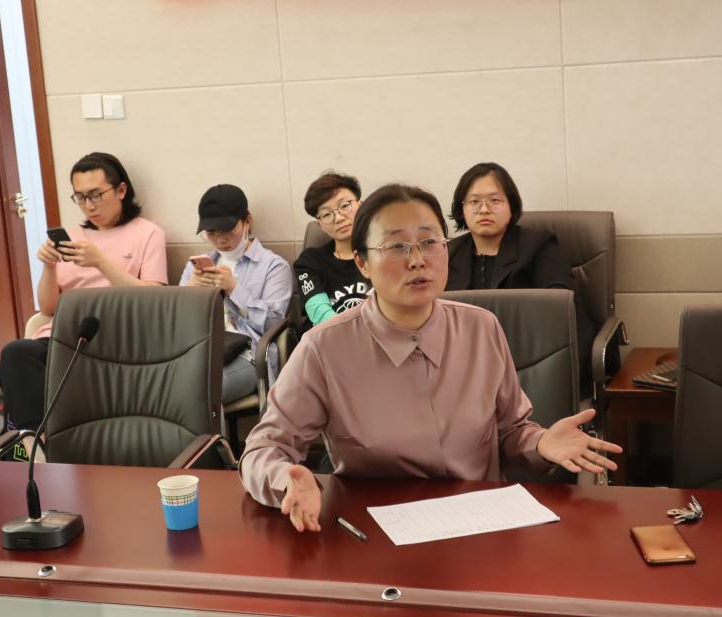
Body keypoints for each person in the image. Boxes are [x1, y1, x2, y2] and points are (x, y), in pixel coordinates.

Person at [240, 183, 621, 533]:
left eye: (429, 242)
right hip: (374, 535)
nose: (417, 260)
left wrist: (542, 443)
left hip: (479, 526)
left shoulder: (481, 328)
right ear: (362, 263)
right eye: (396, 247)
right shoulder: (324, 348)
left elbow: (510, 432)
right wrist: (285, 480)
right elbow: (263, 450)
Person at [0, 152, 167, 431]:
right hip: (61, 335)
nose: (89, 206)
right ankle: (33, 439)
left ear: (121, 190)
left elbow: (155, 299)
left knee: (21, 377)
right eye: (81, 197)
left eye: (96, 195)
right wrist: (49, 267)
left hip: (114, 337)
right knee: (15, 354)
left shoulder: (147, 233)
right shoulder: (72, 236)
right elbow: (48, 309)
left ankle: (32, 439)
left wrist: (100, 262)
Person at [446, 161, 598, 393]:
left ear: (511, 205)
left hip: (530, 364)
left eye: (494, 201)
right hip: (465, 368)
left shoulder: (539, 246)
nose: (484, 210)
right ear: (462, 209)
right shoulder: (448, 253)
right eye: (474, 202)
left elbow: (560, 311)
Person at [180, 184, 293, 402]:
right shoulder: (196, 266)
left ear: (247, 221)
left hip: (246, 353)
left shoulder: (273, 266)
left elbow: (273, 325)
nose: (220, 239)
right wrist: (192, 290)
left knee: (200, 389)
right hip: (200, 349)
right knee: (164, 384)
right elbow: (176, 322)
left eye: (228, 230)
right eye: (211, 233)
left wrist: (234, 289)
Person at [294, 171, 372, 326]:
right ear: (320, 225)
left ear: (361, 205)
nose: (339, 218)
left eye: (345, 206)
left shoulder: (382, 251)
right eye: (326, 214)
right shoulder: (309, 261)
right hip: (330, 336)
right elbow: (319, 312)